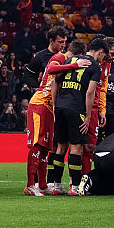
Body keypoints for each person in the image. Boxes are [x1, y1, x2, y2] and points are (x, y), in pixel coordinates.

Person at [48, 37, 108, 195]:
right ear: (100, 52)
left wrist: (55, 105)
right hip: (76, 109)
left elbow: (55, 81)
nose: (103, 60)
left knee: (60, 147)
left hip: (60, 106)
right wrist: (88, 117)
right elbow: (90, 92)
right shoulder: (95, 67)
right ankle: (75, 187)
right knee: (76, 148)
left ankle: (56, 186)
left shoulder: (72, 59)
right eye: (104, 56)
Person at [25, 40, 85, 195]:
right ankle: (30, 185)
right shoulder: (60, 57)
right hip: (40, 104)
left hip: (50, 107)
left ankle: (43, 185)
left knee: (46, 147)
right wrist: (74, 65)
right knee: (37, 145)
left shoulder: (63, 62)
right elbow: (51, 69)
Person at [80, 36, 114, 184]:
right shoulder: (87, 62)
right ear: (103, 50)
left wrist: (102, 110)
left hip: (95, 109)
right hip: (80, 106)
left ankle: (86, 181)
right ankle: (72, 182)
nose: (113, 58)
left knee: (90, 146)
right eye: (112, 54)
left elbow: (102, 89)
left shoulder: (107, 66)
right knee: (74, 145)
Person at [24, 26, 69, 92]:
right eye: (60, 42)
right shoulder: (39, 57)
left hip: (62, 95)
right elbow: (27, 77)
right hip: (44, 96)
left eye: (64, 42)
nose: (63, 45)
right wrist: (40, 86)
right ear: (51, 41)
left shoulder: (66, 56)